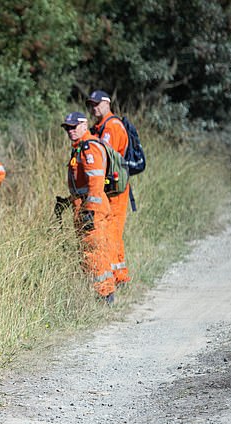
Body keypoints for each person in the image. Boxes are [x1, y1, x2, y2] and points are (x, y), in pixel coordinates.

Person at [59, 111, 116, 303]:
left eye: (74, 127)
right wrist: (69, 201)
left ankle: (104, 294)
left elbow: (95, 183)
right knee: (92, 249)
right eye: (68, 127)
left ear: (84, 126)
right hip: (84, 206)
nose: (70, 131)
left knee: (93, 250)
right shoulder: (80, 148)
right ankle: (102, 292)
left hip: (92, 209)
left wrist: (90, 211)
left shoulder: (89, 148)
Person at [86, 90, 131, 285]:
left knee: (112, 233)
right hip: (108, 188)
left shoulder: (111, 127)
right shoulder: (100, 127)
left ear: (107, 103)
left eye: (98, 104)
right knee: (108, 232)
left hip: (115, 190)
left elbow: (104, 156)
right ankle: (117, 276)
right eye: (92, 104)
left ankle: (118, 277)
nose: (94, 107)